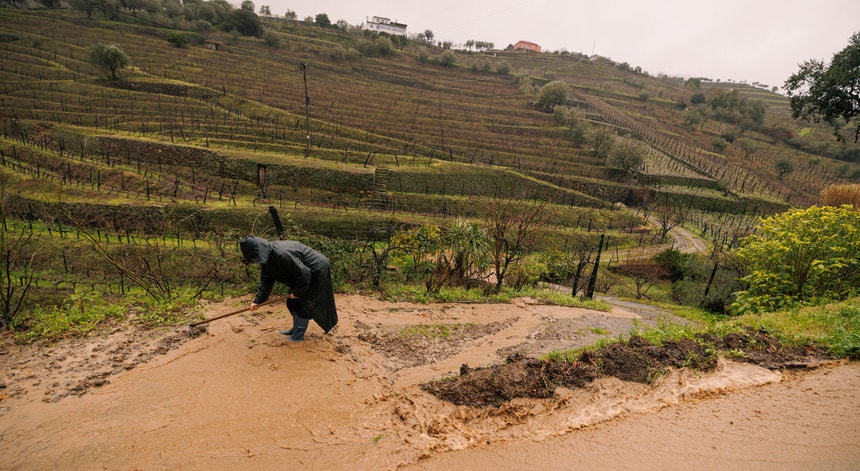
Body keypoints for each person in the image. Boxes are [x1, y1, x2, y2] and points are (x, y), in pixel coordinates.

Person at [239, 236, 338, 341]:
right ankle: (295, 329)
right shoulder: (267, 260)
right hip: (303, 275)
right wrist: (257, 301)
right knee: (292, 302)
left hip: (317, 269)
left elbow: (304, 274)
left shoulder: (282, 254)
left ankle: (298, 336)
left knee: (303, 303)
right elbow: (266, 281)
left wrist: (298, 292)